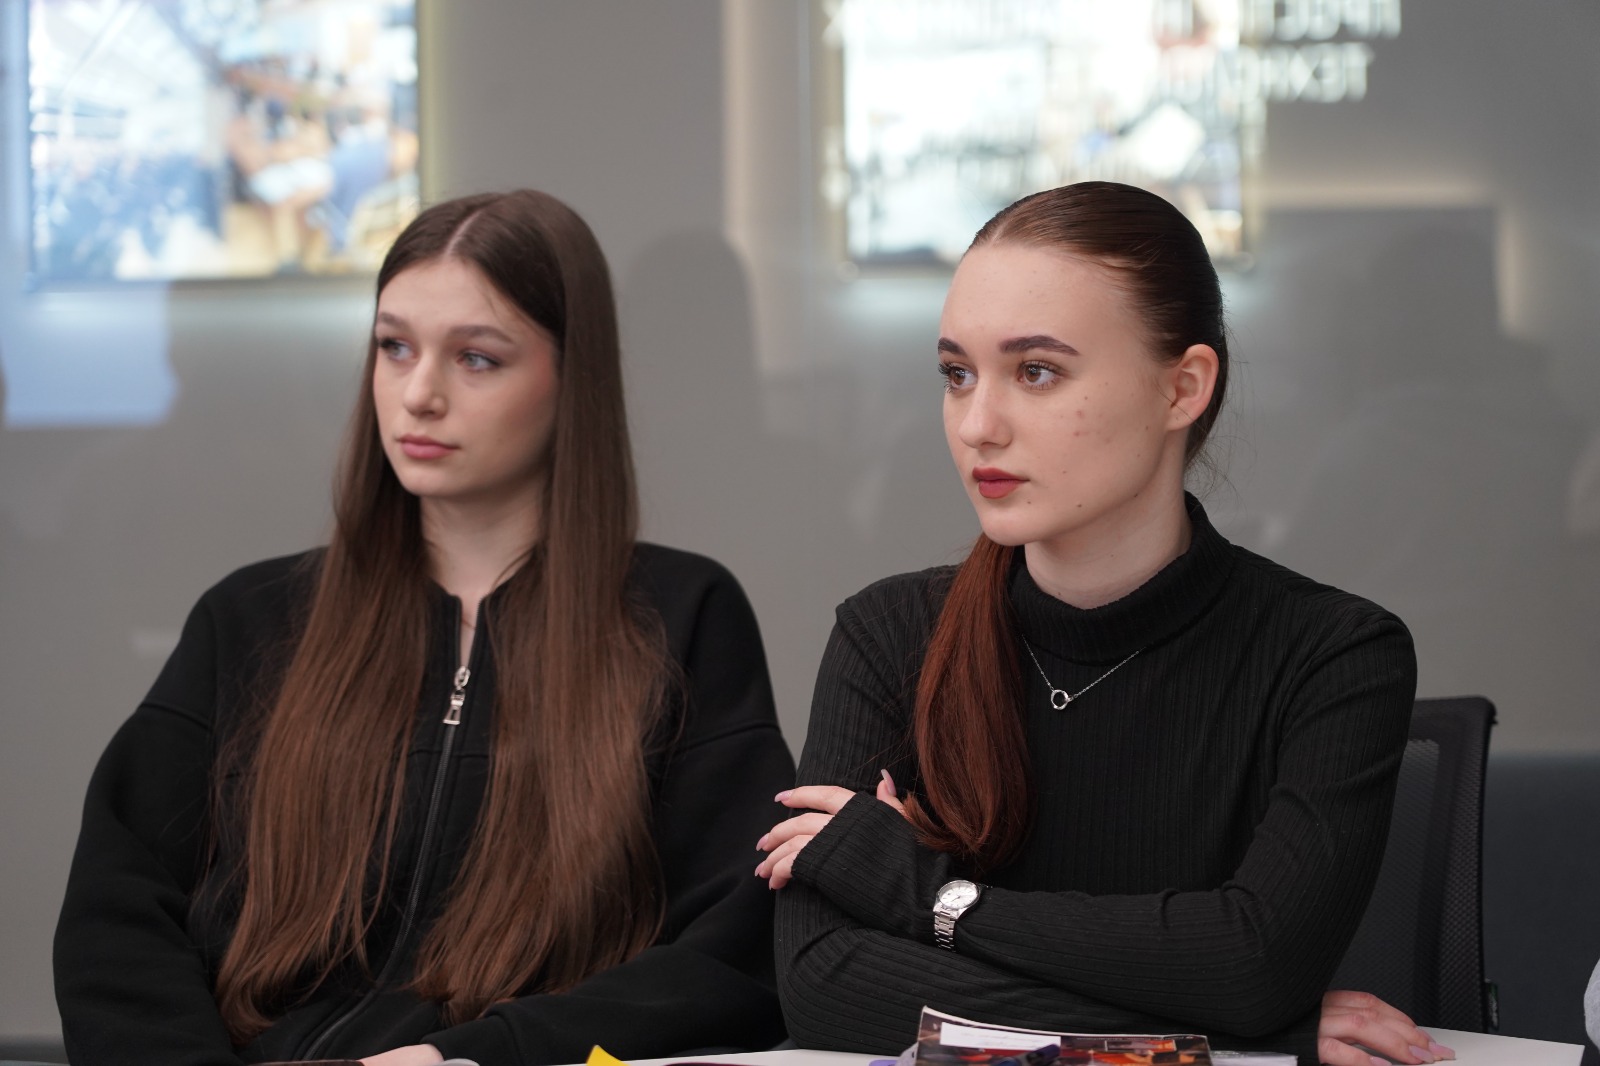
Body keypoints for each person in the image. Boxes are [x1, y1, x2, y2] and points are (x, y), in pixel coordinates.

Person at [54, 189, 794, 1066]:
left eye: (476, 358)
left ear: (573, 378)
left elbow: (734, 957)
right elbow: (117, 920)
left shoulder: (680, 619)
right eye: (394, 347)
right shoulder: (250, 621)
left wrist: (478, 1056)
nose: (418, 394)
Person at [759, 182, 1452, 1066]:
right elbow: (823, 987)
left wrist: (927, 897)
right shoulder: (889, 634)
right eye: (957, 374)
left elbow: (1254, 963)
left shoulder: (1334, 654)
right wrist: (1212, 1029)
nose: (978, 425)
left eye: (1036, 372)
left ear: (1182, 388)